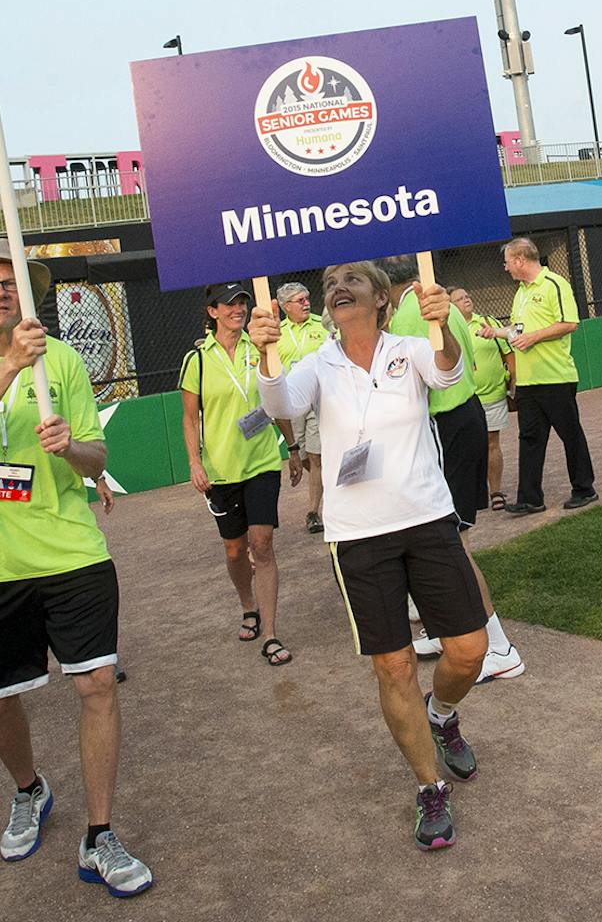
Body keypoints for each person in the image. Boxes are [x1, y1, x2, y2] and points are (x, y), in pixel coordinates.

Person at [0, 239, 151, 898]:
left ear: (28, 296)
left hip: (68, 548)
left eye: (11, 283)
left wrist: (73, 449)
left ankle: (99, 835)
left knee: (97, 683)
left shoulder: (65, 361)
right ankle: (29, 789)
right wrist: (10, 366)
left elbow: (97, 456)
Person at [251, 262, 485, 850]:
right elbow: (281, 402)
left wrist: (443, 326)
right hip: (358, 537)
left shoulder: (411, 347)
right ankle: (429, 786)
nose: (338, 287)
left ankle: (442, 713)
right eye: (331, 282)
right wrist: (266, 353)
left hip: (427, 519)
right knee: (394, 665)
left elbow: (449, 369)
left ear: (382, 297)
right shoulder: (317, 364)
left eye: (353, 279)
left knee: (469, 650)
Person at [379, 256, 524, 685]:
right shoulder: (435, 298)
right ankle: (447, 632)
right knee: (447, 540)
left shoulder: (411, 311)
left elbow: (407, 383)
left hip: (445, 424)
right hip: (464, 416)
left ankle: (499, 648)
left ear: (384, 284)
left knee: (450, 544)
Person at [181, 282, 299, 668]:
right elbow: (190, 418)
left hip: (262, 462)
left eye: (242, 302)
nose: (238, 309)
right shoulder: (197, 360)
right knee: (235, 549)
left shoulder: (261, 348)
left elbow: (276, 399)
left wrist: (292, 447)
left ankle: (271, 633)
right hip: (221, 471)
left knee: (262, 544)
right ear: (212, 311)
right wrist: (195, 463)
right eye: (230, 304)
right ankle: (248, 605)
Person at [493, 238, 597, 513]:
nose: (506, 268)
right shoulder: (520, 293)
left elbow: (570, 323)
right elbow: (518, 330)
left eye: (507, 262)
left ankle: (584, 489)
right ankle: (530, 498)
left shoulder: (555, 284)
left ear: (519, 260)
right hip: (528, 381)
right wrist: (496, 333)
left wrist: (534, 337)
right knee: (529, 439)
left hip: (555, 377)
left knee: (570, 434)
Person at [273, 282, 332, 535]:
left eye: (307, 299)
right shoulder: (277, 332)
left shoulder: (322, 325)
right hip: (292, 401)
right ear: (286, 306)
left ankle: (313, 513)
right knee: (305, 457)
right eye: (300, 300)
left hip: (318, 398)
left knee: (317, 457)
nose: (307, 303)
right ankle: (327, 483)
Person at [449, 287, 514, 511]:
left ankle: (495, 492)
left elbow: (508, 353)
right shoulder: (448, 327)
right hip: (464, 398)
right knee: (467, 447)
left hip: (493, 394)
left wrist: (513, 381)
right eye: (459, 299)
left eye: (467, 296)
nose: (466, 300)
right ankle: (471, 494)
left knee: (492, 442)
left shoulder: (487, 322)